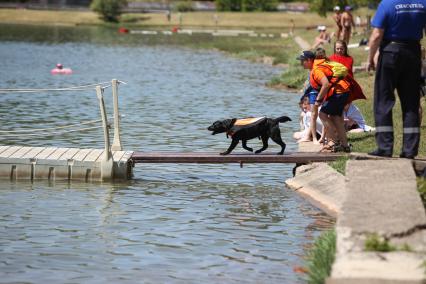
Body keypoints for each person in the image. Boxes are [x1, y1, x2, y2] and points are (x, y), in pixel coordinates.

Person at [367, 0, 426, 159]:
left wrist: (370, 58)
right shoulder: (422, 4)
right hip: (413, 53)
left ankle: (385, 147)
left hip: (390, 53)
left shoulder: (387, 4)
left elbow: (377, 35)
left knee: (383, 100)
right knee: (411, 103)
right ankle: (410, 150)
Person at [297, 50, 352, 152]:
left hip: (338, 92)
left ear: (309, 60)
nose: (301, 64)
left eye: (302, 61)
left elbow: (325, 84)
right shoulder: (318, 67)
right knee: (335, 117)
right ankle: (345, 145)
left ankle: (333, 142)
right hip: (343, 91)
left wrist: (318, 101)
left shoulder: (316, 70)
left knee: (322, 114)